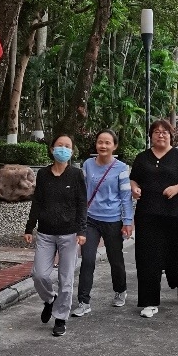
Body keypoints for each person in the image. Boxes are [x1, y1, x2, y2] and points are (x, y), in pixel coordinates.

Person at [24, 135, 87, 337]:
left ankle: (61, 318)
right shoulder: (43, 174)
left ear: (72, 151)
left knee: (66, 279)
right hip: (45, 233)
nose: (63, 149)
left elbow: (82, 204)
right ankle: (50, 299)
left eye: (67, 146)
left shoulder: (76, 174)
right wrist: (29, 228)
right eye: (60, 145)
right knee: (39, 274)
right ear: (52, 149)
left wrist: (82, 230)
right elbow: (37, 201)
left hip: (69, 234)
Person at [130, 119, 178, 318]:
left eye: (165, 132)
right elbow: (134, 178)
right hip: (147, 215)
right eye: (156, 132)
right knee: (147, 258)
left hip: (174, 214)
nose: (160, 135)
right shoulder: (142, 157)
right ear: (151, 136)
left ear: (171, 135)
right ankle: (149, 301)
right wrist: (134, 188)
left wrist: (177, 188)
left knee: (177, 255)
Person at [72, 130, 133, 317]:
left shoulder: (121, 168)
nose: (103, 146)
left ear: (115, 146)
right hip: (90, 220)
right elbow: (81, 192)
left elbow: (125, 196)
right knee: (88, 259)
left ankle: (120, 290)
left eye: (107, 143)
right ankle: (83, 301)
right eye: (100, 142)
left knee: (116, 259)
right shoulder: (88, 164)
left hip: (113, 220)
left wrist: (127, 221)